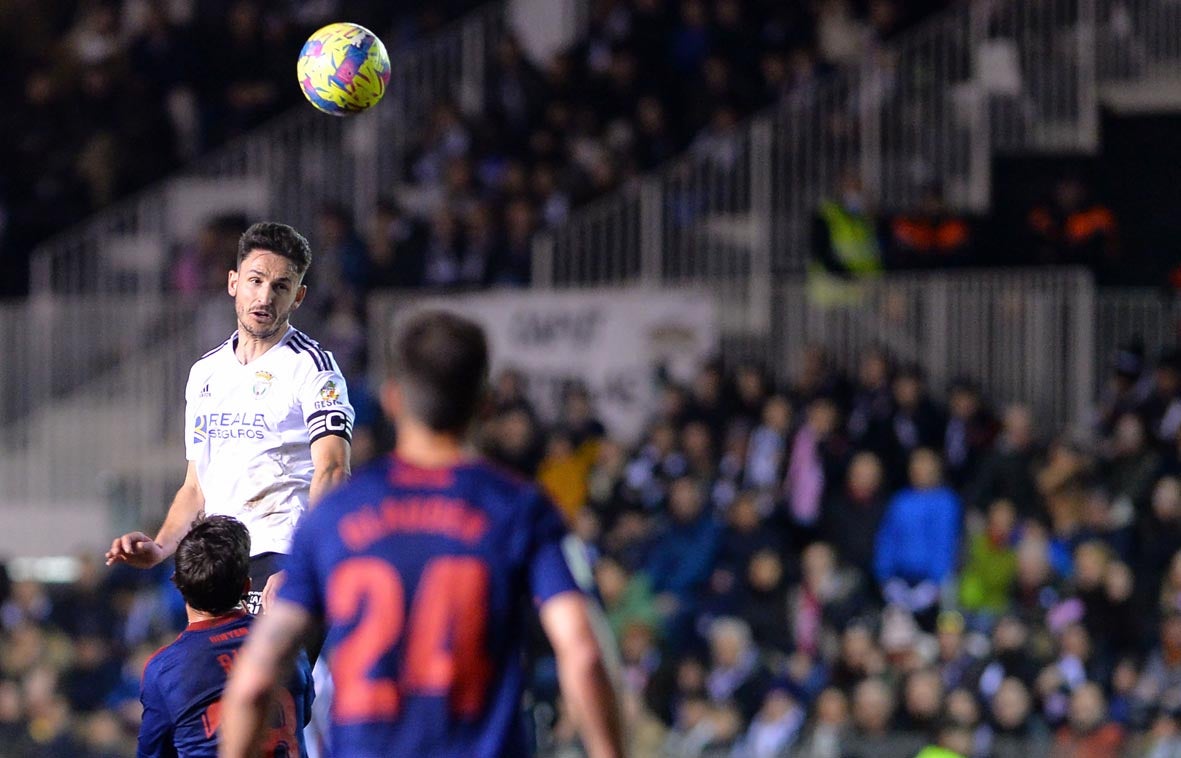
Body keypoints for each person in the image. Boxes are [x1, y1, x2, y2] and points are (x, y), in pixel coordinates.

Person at [218, 311, 624, 757]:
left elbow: (256, 678)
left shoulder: (334, 515)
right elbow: (582, 650)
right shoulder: (521, 508)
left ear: (393, 400)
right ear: (484, 403)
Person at [106, 221, 354, 615]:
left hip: (281, 556)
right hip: (216, 562)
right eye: (256, 281)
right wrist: (161, 546)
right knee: (204, 678)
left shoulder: (313, 368)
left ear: (299, 297)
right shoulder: (205, 373)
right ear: (233, 282)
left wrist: (303, 565)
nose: (265, 297)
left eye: (281, 287)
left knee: (267, 678)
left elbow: (332, 472)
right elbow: (195, 487)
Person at [138, 515, 313, 757]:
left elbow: (152, 752)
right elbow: (303, 714)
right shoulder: (286, 646)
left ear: (178, 584)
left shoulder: (163, 669)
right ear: (247, 586)